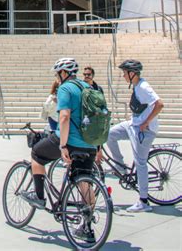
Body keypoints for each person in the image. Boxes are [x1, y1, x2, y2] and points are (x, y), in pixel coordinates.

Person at [21, 57, 98, 243]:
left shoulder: (65, 88)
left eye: (58, 74)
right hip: (90, 144)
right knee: (84, 183)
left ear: (64, 73)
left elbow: (63, 117)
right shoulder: (88, 87)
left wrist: (63, 145)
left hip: (69, 140)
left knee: (37, 155)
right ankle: (87, 229)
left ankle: (39, 197)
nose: (57, 77)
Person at [106, 59, 164, 213]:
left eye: (125, 73)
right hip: (133, 125)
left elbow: (159, 104)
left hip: (144, 130)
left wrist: (146, 122)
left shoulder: (144, 87)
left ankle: (143, 201)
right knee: (109, 135)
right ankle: (120, 166)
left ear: (132, 73)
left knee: (140, 162)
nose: (123, 76)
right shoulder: (138, 86)